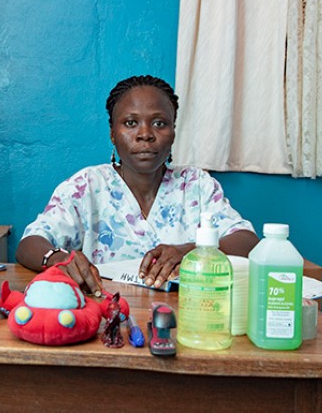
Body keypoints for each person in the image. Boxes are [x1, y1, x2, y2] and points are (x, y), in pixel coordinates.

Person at [16, 75, 259, 295]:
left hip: (189, 317)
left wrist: (191, 251)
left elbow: (247, 242)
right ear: (113, 133)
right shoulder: (87, 186)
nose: (145, 134)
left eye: (159, 123)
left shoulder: (196, 185)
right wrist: (58, 258)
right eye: (131, 123)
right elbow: (29, 244)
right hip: (105, 318)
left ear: (173, 133)